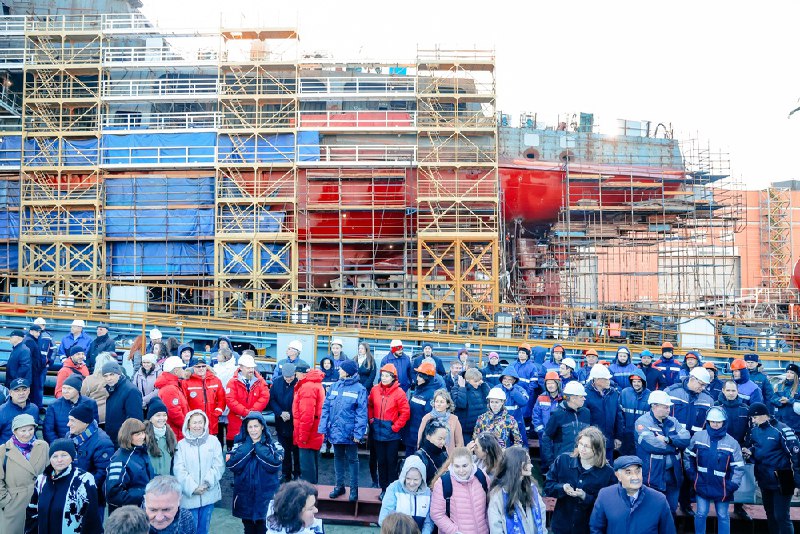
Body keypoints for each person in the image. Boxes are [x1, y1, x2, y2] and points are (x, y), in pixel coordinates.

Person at [545, 426, 616, 534]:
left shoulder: (608, 473)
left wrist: (585, 497)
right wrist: (562, 487)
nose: (582, 449)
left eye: (587, 446)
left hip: (587, 529)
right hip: (561, 526)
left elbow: (608, 505)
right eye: (581, 444)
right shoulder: (563, 460)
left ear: (597, 449)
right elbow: (548, 486)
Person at [684, 406, 744, 534]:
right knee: (700, 514)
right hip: (701, 484)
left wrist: (731, 485)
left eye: (718, 421)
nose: (715, 424)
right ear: (708, 421)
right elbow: (688, 457)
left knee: (723, 516)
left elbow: (738, 467)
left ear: (724, 422)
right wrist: (693, 477)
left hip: (723, 488)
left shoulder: (732, 443)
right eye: (712, 421)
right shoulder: (698, 437)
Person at [743, 402, 800, 534]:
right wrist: (750, 451)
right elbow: (757, 448)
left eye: (755, 418)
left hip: (783, 478)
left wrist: (798, 484)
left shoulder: (783, 430)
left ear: (764, 416)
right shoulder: (754, 430)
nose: (753, 420)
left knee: (781, 516)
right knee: (770, 514)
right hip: (764, 478)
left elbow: (796, 457)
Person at [25, 437, 101, 533]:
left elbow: (91, 519)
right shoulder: (41, 480)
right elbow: (32, 513)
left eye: (64, 455)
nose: (59, 460)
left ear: (72, 457)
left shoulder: (83, 479)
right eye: (55, 456)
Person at [633, 389, 690, 515]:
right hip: (653, 475)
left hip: (673, 475)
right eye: (665, 407)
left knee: (671, 510)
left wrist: (667, 440)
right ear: (654, 406)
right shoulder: (642, 422)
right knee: (651, 513)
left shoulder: (673, 421)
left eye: (668, 407)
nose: (668, 410)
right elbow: (651, 445)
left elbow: (686, 439)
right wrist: (675, 447)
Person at [227, 411, 284, 534]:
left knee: (264, 529)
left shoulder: (274, 444)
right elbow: (232, 464)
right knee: (248, 529)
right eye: (250, 427)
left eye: (256, 426)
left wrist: (258, 446)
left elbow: (274, 464)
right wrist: (249, 445)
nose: (253, 430)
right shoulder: (239, 444)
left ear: (262, 426)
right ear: (246, 428)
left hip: (266, 498)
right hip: (244, 497)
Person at [319, 359, 368, 501]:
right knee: (338, 457)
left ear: (347, 372)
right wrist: (323, 428)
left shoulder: (360, 389)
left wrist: (358, 434)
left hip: (350, 433)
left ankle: (354, 489)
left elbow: (362, 413)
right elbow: (326, 408)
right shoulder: (335, 386)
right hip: (335, 431)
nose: (338, 370)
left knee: (353, 460)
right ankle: (339, 486)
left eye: (341, 369)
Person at [589, 455, 676, 534]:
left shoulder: (659, 500)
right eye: (628, 472)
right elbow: (596, 528)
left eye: (638, 471)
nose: (635, 477)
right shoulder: (605, 496)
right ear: (618, 476)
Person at [173, 410, 224, 534]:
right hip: (189, 496)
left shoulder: (213, 441)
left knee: (203, 529)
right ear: (188, 425)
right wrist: (193, 487)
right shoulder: (181, 445)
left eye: (200, 422)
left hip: (208, 494)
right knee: (190, 529)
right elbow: (179, 469)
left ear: (205, 423)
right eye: (194, 423)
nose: (197, 426)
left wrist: (207, 483)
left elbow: (219, 465)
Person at [0, 413, 48, 533]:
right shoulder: (2, 451)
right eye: (23, 430)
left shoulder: (43, 446)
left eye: (31, 429)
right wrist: (5, 502)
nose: (28, 434)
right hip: (14, 504)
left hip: (39, 502)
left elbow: (48, 472)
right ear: (14, 431)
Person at [369, 363, 411, 499]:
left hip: (392, 436)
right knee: (380, 462)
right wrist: (371, 420)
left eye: (387, 376)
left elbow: (405, 412)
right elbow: (369, 405)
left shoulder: (399, 393)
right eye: (382, 375)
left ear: (393, 378)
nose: (384, 378)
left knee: (391, 462)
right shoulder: (374, 390)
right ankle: (383, 489)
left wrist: (395, 427)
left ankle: (392, 490)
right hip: (378, 434)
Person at [67, 402, 114, 518]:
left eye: (73, 421)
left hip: (92, 498)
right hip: (71, 494)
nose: (68, 424)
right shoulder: (70, 435)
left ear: (84, 423)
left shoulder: (103, 442)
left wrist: (81, 487)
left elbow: (102, 473)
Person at [488, 445, 546, 534]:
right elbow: (496, 527)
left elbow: (541, 514)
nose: (531, 465)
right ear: (516, 464)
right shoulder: (498, 495)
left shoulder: (532, 488)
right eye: (528, 462)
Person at [430, 447, 489, 534]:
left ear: (471, 463)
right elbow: (437, 513)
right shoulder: (443, 483)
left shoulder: (482, 477)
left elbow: (490, 505)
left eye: (465, 466)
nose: (461, 471)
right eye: (457, 466)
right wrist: (454, 531)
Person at [105, 418, 155, 514]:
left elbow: (146, 477)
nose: (142, 437)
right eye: (137, 434)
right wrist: (145, 493)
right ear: (127, 436)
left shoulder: (141, 452)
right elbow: (113, 495)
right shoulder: (119, 460)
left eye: (143, 433)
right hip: (126, 515)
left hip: (143, 510)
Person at [541, 380, 590, 471]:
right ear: (572, 398)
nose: (584, 399)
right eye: (582, 396)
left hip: (582, 461)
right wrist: (551, 462)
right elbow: (546, 438)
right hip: (562, 463)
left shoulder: (586, 413)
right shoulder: (557, 414)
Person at [379, 454, 434, 534]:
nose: (411, 483)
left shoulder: (428, 493)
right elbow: (384, 517)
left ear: (422, 478)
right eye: (408, 478)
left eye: (416, 479)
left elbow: (429, 521)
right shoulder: (394, 488)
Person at [226, 353, 270, 451]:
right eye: (248, 367)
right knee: (237, 454)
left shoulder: (260, 382)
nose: (251, 370)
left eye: (252, 367)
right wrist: (246, 413)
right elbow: (230, 400)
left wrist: (251, 413)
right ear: (241, 367)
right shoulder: (232, 382)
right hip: (237, 424)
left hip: (255, 424)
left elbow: (265, 397)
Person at [43, 374, 99, 444]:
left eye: (69, 388)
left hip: (85, 445)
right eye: (64, 388)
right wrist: (58, 445)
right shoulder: (54, 405)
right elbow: (48, 430)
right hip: (61, 446)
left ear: (78, 389)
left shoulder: (90, 403)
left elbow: (93, 426)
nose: (65, 391)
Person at [584, 364, 623, 461]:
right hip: (592, 443)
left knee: (607, 470)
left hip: (609, 442)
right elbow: (583, 421)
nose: (608, 381)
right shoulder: (585, 394)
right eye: (606, 379)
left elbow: (618, 417)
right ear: (597, 380)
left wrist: (618, 437)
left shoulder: (613, 393)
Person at [269, 363, 300, 483]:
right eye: (286, 377)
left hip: (295, 422)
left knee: (297, 450)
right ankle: (286, 473)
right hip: (281, 421)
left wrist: (291, 414)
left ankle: (298, 473)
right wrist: (280, 412)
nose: (289, 379)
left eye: (291, 377)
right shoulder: (277, 383)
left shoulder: (299, 383)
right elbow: (272, 400)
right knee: (284, 449)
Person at [182, 357, 226, 438]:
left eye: (203, 366)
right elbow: (184, 402)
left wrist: (218, 411)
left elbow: (222, 398)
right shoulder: (186, 382)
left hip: (212, 420)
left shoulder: (215, 380)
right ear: (193, 368)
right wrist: (190, 416)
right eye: (198, 366)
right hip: (195, 423)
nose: (201, 368)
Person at [104, 360, 145, 447]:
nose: (109, 378)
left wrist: (128, 441)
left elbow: (136, 420)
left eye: (112, 374)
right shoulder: (113, 388)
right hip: (115, 439)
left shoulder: (131, 391)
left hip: (124, 441)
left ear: (119, 374)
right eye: (106, 376)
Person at [406, 362, 441, 456]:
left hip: (420, 438)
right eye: (417, 375)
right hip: (411, 435)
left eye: (420, 376)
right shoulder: (418, 389)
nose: (417, 378)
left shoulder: (431, 394)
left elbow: (428, 419)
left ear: (427, 378)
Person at [418, 388, 464, 455]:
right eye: (436, 401)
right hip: (430, 456)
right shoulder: (427, 418)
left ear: (448, 404)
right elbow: (421, 439)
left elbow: (459, 442)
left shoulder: (454, 419)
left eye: (442, 402)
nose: (438, 404)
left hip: (449, 457)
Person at [156, 356, 190, 441]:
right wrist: (187, 426)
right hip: (176, 434)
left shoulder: (173, 385)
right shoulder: (170, 388)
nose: (183, 370)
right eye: (181, 368)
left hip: (176, 432)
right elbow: (174, 413)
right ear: (176, 371)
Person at [452, 368, 490, 440]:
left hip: (481, 427)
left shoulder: (481, 387)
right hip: (466, 430)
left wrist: (484, 385)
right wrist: (462, 388)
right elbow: (460, 404)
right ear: (467, 380)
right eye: (475, 381)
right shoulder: (457, 388)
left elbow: (489, 399)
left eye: (479, 381)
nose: (478, 383)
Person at [619, 369, 650, 455]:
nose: (636, 384)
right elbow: (619, 413)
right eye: (634, 381)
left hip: (642, 434)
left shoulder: (649, 395)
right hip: (626, 433)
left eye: (638, 381)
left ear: (643, 382)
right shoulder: (625, 393)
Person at [80, 351, 115, 427]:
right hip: (112, 416)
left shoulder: (89, 380)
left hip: (93, 416)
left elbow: (82, 397)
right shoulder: (114, 379)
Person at [145, 397, 177, 477]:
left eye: (164, 415)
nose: (162, 418)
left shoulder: (171, 435)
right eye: (158, 415)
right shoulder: (144, 437)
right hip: (150, 482)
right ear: (151, 418)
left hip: (167, 481)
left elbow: (174, 461)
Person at [0, 378, 40, 444]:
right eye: (17, 390)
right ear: (10, 393)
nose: (21, 393)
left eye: (24, 390)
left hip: (30, 450)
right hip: (7, 451)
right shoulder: (1, 411)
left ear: (29, 391)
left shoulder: (34, 409)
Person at [212, 346, 238, 445]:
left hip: (228, 400)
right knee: (218, 427)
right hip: (217, 399)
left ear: (225, 357)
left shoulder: (232, 369)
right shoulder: (217, 367)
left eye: (219, 354)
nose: (217, 356)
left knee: (229, 429)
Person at [497, 365, 529, 442]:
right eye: (505, 378)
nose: (506, 381)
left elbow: (524, 402)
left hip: (517, 422)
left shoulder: (519, 389)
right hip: (500, 423)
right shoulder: (497, 389)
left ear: (514, 380)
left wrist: (512, 390)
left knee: (519, 447)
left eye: (509, 379)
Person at [415, 419, 450, 486]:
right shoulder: (420, 456)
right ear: (428, 436)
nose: (443, 442)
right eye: (440, 439)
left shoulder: (443, 453)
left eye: (444, 439)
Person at [532, 371, 562, 438]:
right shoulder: (541, 398)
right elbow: (536, 417)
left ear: (558, 384)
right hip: (544, 436)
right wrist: (543, 433)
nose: (550, 386)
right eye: (548, 383)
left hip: (560, 437)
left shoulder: (564, 398)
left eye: (552, 383)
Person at [23, 325, 45, 410]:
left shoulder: (31, 340)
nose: (38, 334)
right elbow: (29, 359)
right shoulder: (30, 341)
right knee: (33, 393)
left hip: (33, 371)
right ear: (31, 331)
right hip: (32, 372)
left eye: (39, 332)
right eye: (37, 331)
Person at [773, 362, 800, 431]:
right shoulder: (779, 386)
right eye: (787, 372)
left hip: (794, 422)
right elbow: (773, 399)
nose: (789, 374)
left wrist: (789, 401)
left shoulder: (799, 388)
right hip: (780, 420)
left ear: (796, 375)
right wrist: (780, 401)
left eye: (792, 373)